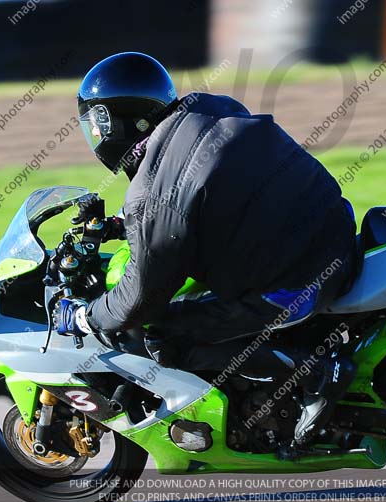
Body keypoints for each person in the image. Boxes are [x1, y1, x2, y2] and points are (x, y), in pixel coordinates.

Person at [53, 52, 358, 447]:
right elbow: (208, 201)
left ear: (113, 126)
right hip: (334, 231)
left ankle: (313, 374)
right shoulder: (208, 109)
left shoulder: (152, 195)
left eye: (94, 125)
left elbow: (140, 299)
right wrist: (119, 226)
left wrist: (85, 317)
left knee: (163, 336)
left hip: (302, 282)